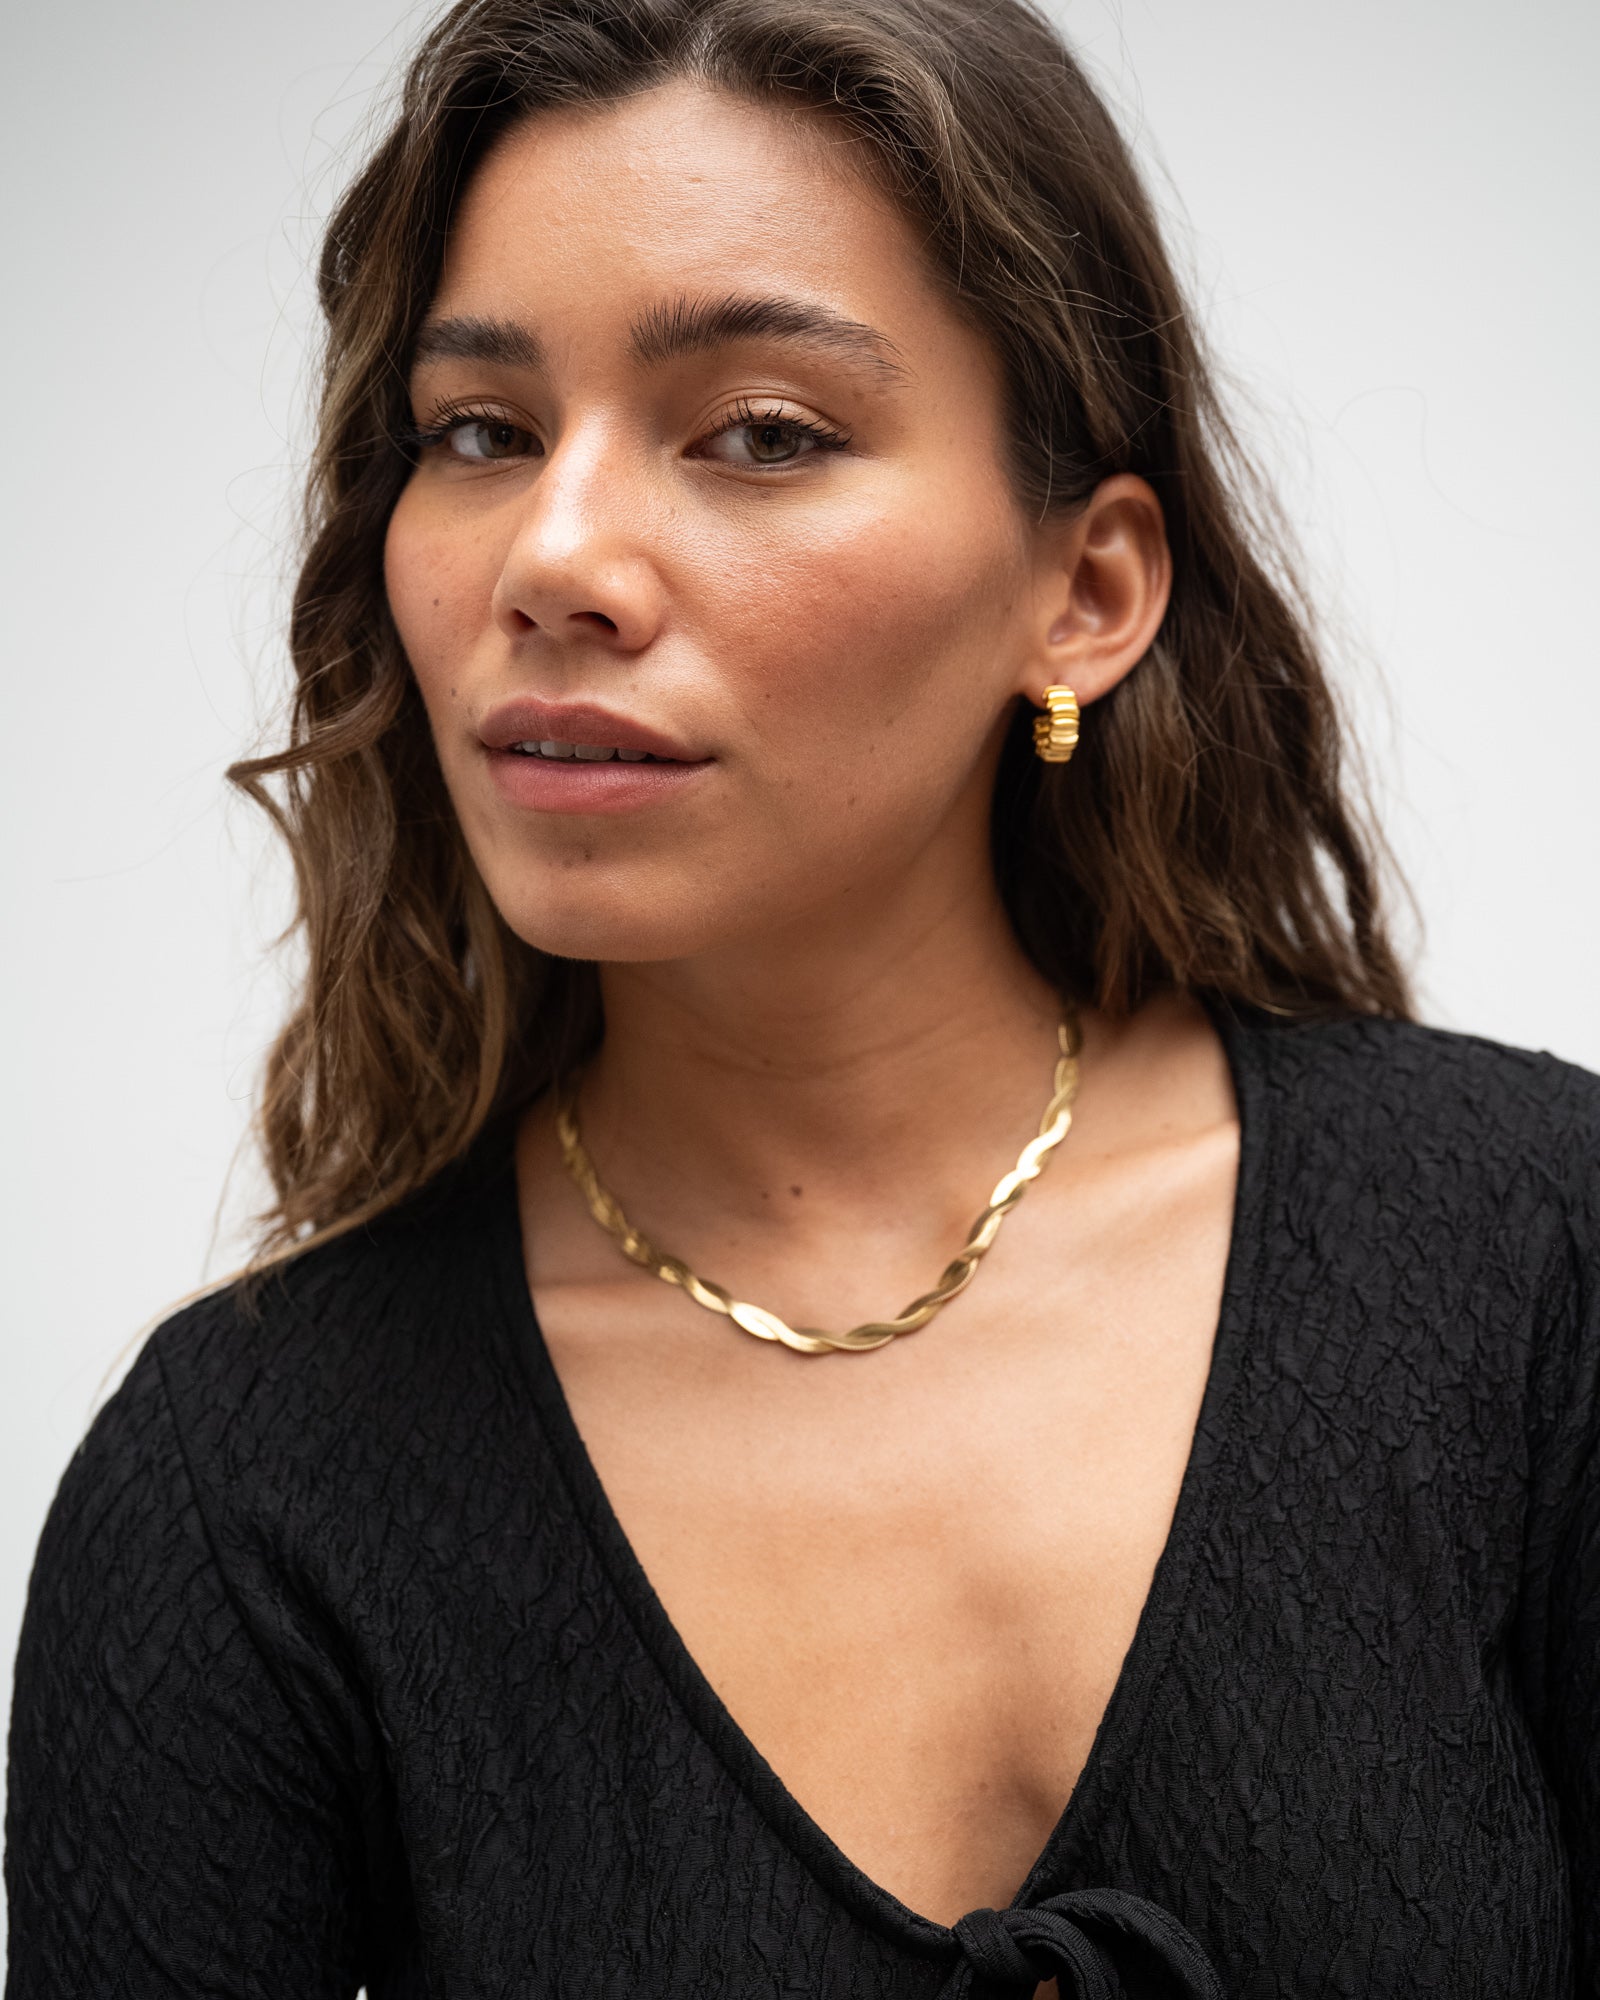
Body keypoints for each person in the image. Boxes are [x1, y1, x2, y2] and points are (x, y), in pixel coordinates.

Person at [6, 0, 1596, 1990]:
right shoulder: (237, 1494)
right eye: (479, 431)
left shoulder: (1535, 1262)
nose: (552, 559)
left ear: (1086, 594)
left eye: (761, 432)